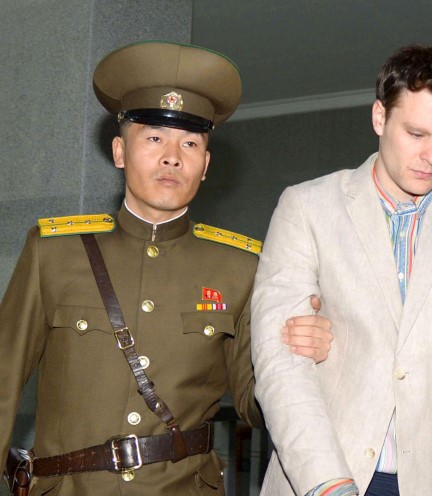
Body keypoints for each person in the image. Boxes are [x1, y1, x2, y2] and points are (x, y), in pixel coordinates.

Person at [0, 41, 334, 495]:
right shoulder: (54, 252)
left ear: (205, 165)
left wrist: (305, 360)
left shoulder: (240, 267)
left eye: (190, 143)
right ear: (119, 152)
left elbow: (256, 402)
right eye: (154, 138)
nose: (172, 156)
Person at [250, 45, 432, 496]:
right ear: (379, 118)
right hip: (324, 475)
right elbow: (280, 363)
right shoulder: (306, 207)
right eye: (417, 133)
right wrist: (327, 484)